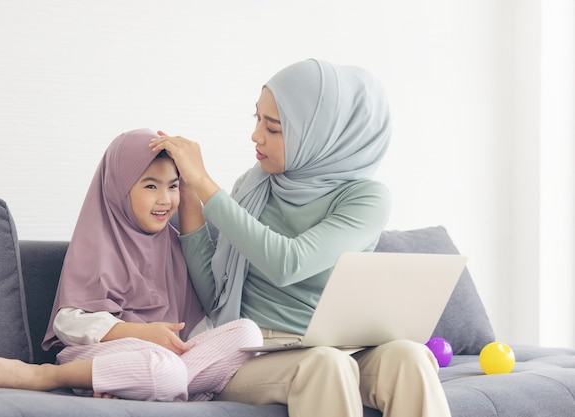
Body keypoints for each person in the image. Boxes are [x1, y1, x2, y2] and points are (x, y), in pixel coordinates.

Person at [149, 59, 451, 417]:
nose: (256, 136)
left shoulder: (365, 198)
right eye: (257, 120)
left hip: (344, 347)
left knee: (410, 357)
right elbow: (216, 293)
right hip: (254, 351)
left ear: (320, 135)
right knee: (324, 364)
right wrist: (190, 193)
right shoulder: (254, 185)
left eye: (273, 128)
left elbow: (289, 262)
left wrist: (206, 185)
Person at [0, 128, 262, 402]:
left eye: (172, 186)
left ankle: (135, 382)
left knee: (247, 334)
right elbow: (69, 323)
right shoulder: (99, 239)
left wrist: (188, 189)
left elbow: (196, 329)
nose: (164, 200)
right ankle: (47, 376)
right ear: (119, 188)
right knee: (165, 368)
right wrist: (141, 333)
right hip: (99, 353)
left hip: (159, 358)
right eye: (150, 185)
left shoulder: (173, 244)